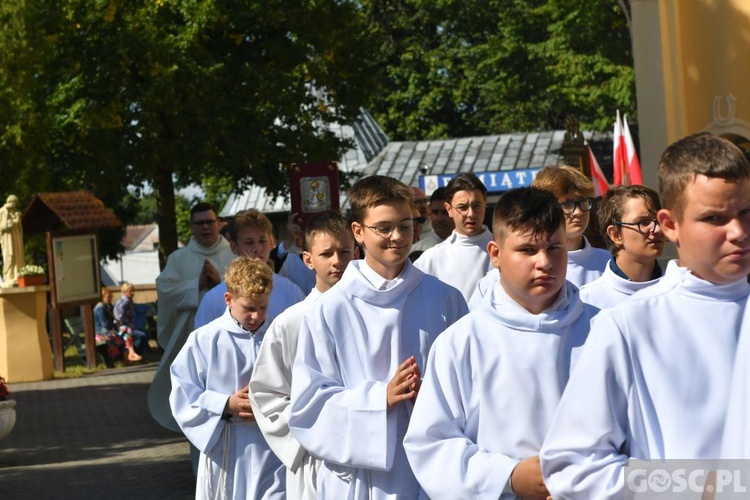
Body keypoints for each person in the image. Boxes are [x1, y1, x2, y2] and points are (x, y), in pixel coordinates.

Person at [539, 132, 750, 498]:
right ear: (670, 225)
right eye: (714, 218)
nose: (739, 232)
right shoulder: (627, 325)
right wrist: (694, 485)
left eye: (746, 213)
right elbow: (574, 466)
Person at [403, 187, 597, 499]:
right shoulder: (461, 342)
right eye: (528, 250)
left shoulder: (605, 331)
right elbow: (432, 443)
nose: (544, 262)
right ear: (495, 254)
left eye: (555, 248)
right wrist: (508, 476)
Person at [289, 175, 468, 499]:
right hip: (362, 480)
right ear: (358, 231)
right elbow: (308, 408)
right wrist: (378, 399)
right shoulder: (330, 309)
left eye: (406, 224)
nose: (397, 237)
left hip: (433, 471)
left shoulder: (445, 299)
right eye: (383, 227)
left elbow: (471, 383)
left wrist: (438, 393)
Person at [249, 211, 358, 500]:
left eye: (345, 251)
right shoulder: (291, 322)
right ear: (308, 259)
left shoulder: (375, 314)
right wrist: (310, 436)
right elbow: (266, 393)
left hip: (366, 450)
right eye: (327, 253)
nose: (337, 261)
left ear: (356, 252)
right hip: (316, 460)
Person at [170, 256, 285, 499]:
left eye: (263, 307)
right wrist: (225, 404)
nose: (256, 316)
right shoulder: (204, 340)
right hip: (227, 447)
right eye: (249, 308)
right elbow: (183, 396)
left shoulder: (279, 336)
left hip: (274, 446)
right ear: (228, 299)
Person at [148, 202, 235, 431]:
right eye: (200, 223)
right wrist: (194, 285)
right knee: (199, 401)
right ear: (191, 227)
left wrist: (219, 284)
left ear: (219, 224)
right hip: (192, 339)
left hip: (231, 343)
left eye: (209, 222)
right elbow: (164, 290)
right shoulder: (179, 258)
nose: (205, 227)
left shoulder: (234, 253)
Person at [194, 209, 305, 329]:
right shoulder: (213, 299)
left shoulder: (291, 293)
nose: (257, 248)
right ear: (234, 247)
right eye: (249, 242)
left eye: (262, 241)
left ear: (270, 242)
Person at [579, 185, 666, 309]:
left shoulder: (681, 293)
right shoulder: (587, 301)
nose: (657, 229)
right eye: (644, 222)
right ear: (615, 234)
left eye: (659, 221)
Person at [414, 173, 494, 302]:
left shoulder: (506, 249)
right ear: (449, 209)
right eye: (463, 207)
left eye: (476, 206)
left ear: (485, 204)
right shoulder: (431, 260)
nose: (471, 214)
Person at [532, 165, 610, 288]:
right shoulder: (533, 265)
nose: (578, 212)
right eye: (567, 204)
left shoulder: (609, 261)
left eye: (583, 202)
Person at [277, 212, 316, 294]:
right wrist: (289, 240)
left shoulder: (325, 256)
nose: (301, 235)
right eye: (300, 232)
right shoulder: (287, 260)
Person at [114, 282, 149, 362]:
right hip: (123, 329)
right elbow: (119, 317)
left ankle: (138, 355)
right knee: (141, 335)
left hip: (129, 327)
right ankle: (136, 355)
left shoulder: (127, 300)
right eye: (130, 291)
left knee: (146, 333)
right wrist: (128, 326)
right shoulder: (125, 302)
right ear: (125, 292)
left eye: (133, 291)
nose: (133, 293)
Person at [412, 187, 454, 252]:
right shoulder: (416, 250)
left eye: (445, 212)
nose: (440, 219)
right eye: (435, 212)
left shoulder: (471, 245)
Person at [93, 287, 125, 366]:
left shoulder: (107, 306)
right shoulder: (100, 308)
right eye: (108, 297)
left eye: (111, 296)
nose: (110, 298)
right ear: (102, 297)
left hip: (107, 330)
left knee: (126, 334)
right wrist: (114, 326)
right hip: (101, 332)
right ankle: (120, 360)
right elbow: (105, 324)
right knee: (120, 337)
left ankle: (124, 359)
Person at [0, 194, 24, 286]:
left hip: (15, 237)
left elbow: (18, 226)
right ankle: (8, 277)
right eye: (14, 203)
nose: (15, 205)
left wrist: (18, 221)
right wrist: (9, 225)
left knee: (18, 256)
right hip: (7, 238)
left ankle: (16, 275)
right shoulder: (2, 211)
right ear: (10, 201)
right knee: (9, 256)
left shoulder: (15, 212)